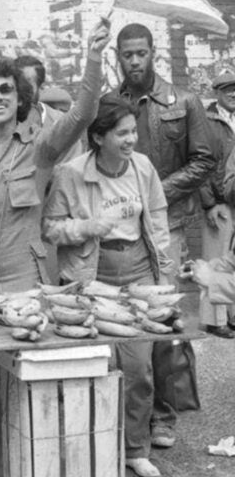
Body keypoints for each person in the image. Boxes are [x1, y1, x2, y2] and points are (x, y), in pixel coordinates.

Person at [0, 20, 110, 477]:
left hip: (27, 279)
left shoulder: (40, 149)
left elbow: (82, 115)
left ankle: (30, 465)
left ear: (21, 100)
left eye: (7, 91)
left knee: (29, 376)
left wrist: (93, 58)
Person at [43, 94, 175, 477]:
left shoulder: (143, 167)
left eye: (133, 131)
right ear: (99, 137)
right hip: (91, 272)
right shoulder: (71, 173)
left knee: (138, 368)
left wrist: (164, 269)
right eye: (122, 133)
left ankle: (135, 448)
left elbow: (159, 216)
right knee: (93, 365)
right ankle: (88, 446)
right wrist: (85, 227)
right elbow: (50, 228)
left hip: (138, 268)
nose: (131, 139)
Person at [113, 23, 215, 449]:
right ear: (117, 57)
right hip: (121, 231)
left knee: (165, 324)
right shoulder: (109, 104)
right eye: (127, 54)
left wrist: (156, 193)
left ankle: (163, 415)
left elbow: (204, 159)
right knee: (124, 324)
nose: (134, 61)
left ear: (153, 53)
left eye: (141, 53)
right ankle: (127, 413)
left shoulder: (184, 101)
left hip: (169, 227)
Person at [16, 55, 82, 283]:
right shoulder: (0, 126)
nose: (20, 91)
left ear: (40, 88)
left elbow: (70, 178)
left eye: (27, 85)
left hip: (52, 229)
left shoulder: (62, 125)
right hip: (12, 234)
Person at [199, 67, 235, 338]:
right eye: (227, 90)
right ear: (217, 93)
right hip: (219, 200)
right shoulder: (206, 120)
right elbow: (200, 163)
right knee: (216, 258)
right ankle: (214, 319)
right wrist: (209, 202)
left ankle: (232, 315)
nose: (233, 95)